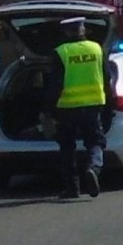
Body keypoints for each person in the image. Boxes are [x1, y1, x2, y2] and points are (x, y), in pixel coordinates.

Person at [44, 17, 113, 199]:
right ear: (83, 30)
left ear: (66, 32)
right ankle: (93, 168)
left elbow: (55, 85)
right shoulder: (97, 49)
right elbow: (107, 78)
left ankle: (72, 188)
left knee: (67, 147)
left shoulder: (60, 52)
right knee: (95, 142)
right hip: (93, 106)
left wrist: (48, 110)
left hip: (67, 107)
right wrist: (109, 104)